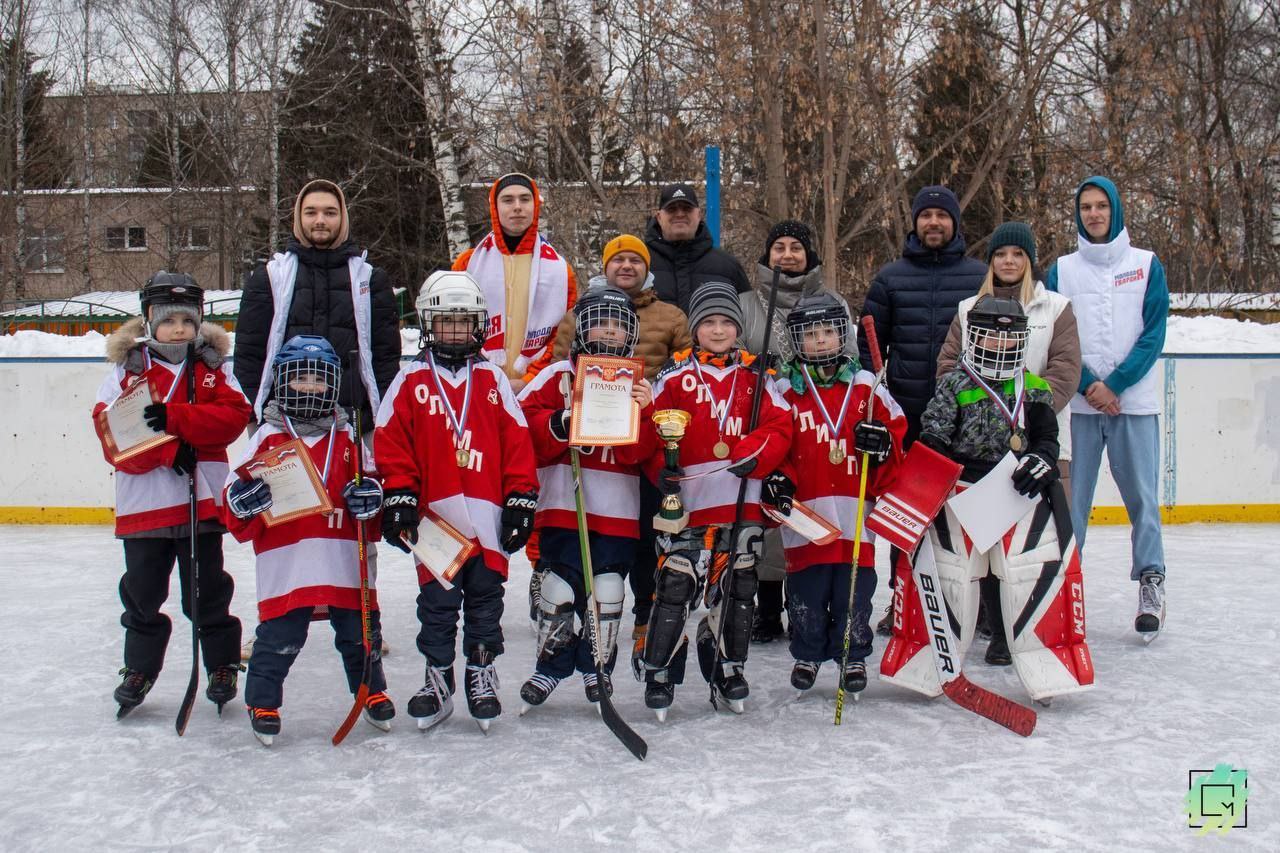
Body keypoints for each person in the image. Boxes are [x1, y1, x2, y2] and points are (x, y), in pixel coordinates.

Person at [881, 296, 1093, 703]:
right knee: (949, 581)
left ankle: (1049, 667)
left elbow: (1047, 437)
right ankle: (928, 664)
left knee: (1030, 578)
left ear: (1021, 340)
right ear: (973, 338)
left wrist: (1041, 459)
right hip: (960, 496)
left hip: (1019, 494)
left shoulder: (1032, 386)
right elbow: (934, 440)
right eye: (989, 335)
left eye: (1007, 336)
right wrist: (922, 490)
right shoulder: (954, 384)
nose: (999, 343)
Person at [375, 270, 539, 733]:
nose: (453, 330)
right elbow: (391, 443)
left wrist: (521, 497)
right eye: (444, 321)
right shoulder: (409, 380)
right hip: (435, 520)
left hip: (487, 515)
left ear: (478, 325)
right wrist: (401, 494)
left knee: (486, 603)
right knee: (437, 605)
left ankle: (481, 675)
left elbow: (517, 444)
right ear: (428, 323)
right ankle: (437, 679)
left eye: (462, 320)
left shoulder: (492, 379)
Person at [92, 273, 249, 718]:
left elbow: (232, 419)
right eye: (168, 320)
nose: (179, 328)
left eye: (187, 319)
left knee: (206, 592)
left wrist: (175, 419)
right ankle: (139, 669)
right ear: (148, 322)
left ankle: (221, 664)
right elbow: (112, 436)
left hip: (202, 504)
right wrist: (168, 450)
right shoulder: (128, 371)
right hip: (145, 508)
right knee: (142, 593)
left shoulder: (215, 368)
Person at [224, 336, 392, 746]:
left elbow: (375, 492)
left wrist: (371, 499)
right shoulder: (265, 437)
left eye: (319, 379)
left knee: (360, 633)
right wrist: (245, 502)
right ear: (282, 382)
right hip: (290, 560)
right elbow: (232, 498)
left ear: (334, 384)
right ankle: (262, 700)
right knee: (280, 636)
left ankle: (371, 690)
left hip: (343, 558)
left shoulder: (350, 437)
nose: (310, 387)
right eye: (300, 378)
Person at [639, 281, 793, 719]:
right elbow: (653, 435)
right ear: (695, 328)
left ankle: (728, 664)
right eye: (709, 322)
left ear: (739, 328)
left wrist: (754, 452)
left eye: (727, 322)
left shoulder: (758, 377)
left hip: (742, 502)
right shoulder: (674, 375)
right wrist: (660, 472)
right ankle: (660, 671)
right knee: (675, 585)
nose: (720, 330)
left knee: (738, 585)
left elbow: (782, 427)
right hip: (689, 506)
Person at [936, 222, 1081, 664]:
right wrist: (975, 416)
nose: (1009, 262)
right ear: (991, 260)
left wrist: (1025, 416)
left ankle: (1019, 630)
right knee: (977, 544)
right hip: (975, 448)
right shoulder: (967, 308)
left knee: (1027, 548)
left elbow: (1065, 369)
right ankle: (980, 624)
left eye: (1019, 254)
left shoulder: (1055, 307)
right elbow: (948, 367)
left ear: (1030, 260)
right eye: (1001, 254)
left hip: (1033, 441)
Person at [548, 233, 691, 665]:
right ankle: (562, 630)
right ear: (606, 266)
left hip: (643, 420)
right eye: (618, 260)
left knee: (646, 537)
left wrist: (656, 405)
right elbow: (559, 367)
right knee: (577, 541)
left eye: (634, 260)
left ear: (646, 269)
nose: (625, 266)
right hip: (590, 440)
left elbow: (686, 366)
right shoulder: (578, 314)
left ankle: (644, 615)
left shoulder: (669, 314)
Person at [516, 288, 657, 712]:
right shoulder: (556, 375)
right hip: (565, 502)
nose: (609, 332)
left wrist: (644, 413)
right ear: (582, 328)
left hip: (615, 509)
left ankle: (599, 668)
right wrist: (558, 424)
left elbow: (641, 452)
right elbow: (521, 426)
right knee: (558, 589)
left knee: (608, 593)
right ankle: (549, 665)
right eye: (600, 322)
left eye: (618, 325)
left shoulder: (638, 382)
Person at [761, 294, 906, 694]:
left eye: (829, 331)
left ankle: (852, 656)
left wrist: (880, 443)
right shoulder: (785, 390)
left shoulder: (865, 385)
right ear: (796, 340)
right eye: (811, 334)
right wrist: (782, 477)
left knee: (854, 592)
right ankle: (807, 652)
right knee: (807, 590)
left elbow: (896, 429)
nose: (821, 340)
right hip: (807, 515)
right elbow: (777, 444)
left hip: (854, 512)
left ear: (843, 335)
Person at [1045, 176, 1170, 639]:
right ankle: (1064, 590)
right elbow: (1055, 334)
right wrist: (1089, 385)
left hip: (1132, 405)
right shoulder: (1062, 270)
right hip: (1078, 409)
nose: (1093, 214)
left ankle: (1151, 582)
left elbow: (1153, 333)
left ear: (1115, 210)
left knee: (1142, 500)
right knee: (1071, 506)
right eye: (1086, 207)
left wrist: (1114, 384)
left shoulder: (1146, 265)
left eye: (1101, 206)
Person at [860, 185, 986, 635]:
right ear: (915, 222)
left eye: (942, 215)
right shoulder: (891, 278)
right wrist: (879, 403)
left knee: (972, 512)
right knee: (907, 514)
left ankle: (980, 605)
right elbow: (869, 351)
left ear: (955, 222)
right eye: (926, 215)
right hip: (910, 417)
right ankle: (903, 597)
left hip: (971, 418)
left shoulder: (980, 276)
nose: (934, 222)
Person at [738, 219, 855, 644]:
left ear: (809, 256)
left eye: (796, 248)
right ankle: (766, 609)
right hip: (768, 421)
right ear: (767, 256)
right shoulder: (747, 302)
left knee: (818, 514)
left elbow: (852, 361)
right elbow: (733, 355)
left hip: (824, 426)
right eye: (779, 247)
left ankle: (812, 606)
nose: (787, 255)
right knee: (772, 512)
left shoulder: (833, 301)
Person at [234, 179, 402, 424]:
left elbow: (385, 358)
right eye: (311, 212)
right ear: (298, 218)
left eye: (330, 212)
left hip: (352, 422)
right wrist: (252, 414)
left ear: (342, 218)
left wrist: (380, 417)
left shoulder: (369, 279)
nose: (320, 220)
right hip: (281, 423)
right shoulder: (270, 277)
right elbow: (249, 355)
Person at [453, 173, 578, 392]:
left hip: (537, 388)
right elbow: (453, 325)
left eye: (525, 199)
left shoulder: (559, 270)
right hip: (476, 383)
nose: (517, 207)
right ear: (495, 207)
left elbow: (562, 334)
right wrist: (480, 373)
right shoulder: (468, 263)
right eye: (508, 200)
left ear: (535, 206)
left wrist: (529, 380)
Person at [644, 183, 750, 313]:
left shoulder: (728, 267)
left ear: (699, 215)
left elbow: (749, 322)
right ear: (659, 217)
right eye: (672, 209)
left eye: (687, 208)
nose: (680, 214)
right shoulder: (639, 263)